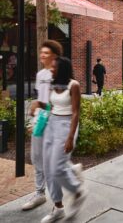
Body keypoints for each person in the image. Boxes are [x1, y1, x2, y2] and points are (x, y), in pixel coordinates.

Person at [41, 57, 85, 223]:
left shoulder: (73, 85)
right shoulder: (52, 84)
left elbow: (75, 113)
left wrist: (70, 138)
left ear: (63, 69)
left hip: (67, 125)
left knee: (57, 167)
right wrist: (41, 123)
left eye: (54, 67)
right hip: (51, 124)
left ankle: (78, 191)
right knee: (48, 168)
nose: (51, 69)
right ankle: (58, 208)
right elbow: (50, 106)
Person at [22, 40, 64, 211]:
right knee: (37, 157)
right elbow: (41, 99)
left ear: (54, 55)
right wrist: (35, 109)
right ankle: (40, 193)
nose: (42, 55)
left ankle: (59, 202)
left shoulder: (59, 73)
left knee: (53, 162)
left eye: (46, 52)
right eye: (41, 52)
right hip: (41, 118)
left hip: (54, 120)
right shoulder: (40, 75)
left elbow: (57, 103)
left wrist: (42, 118)